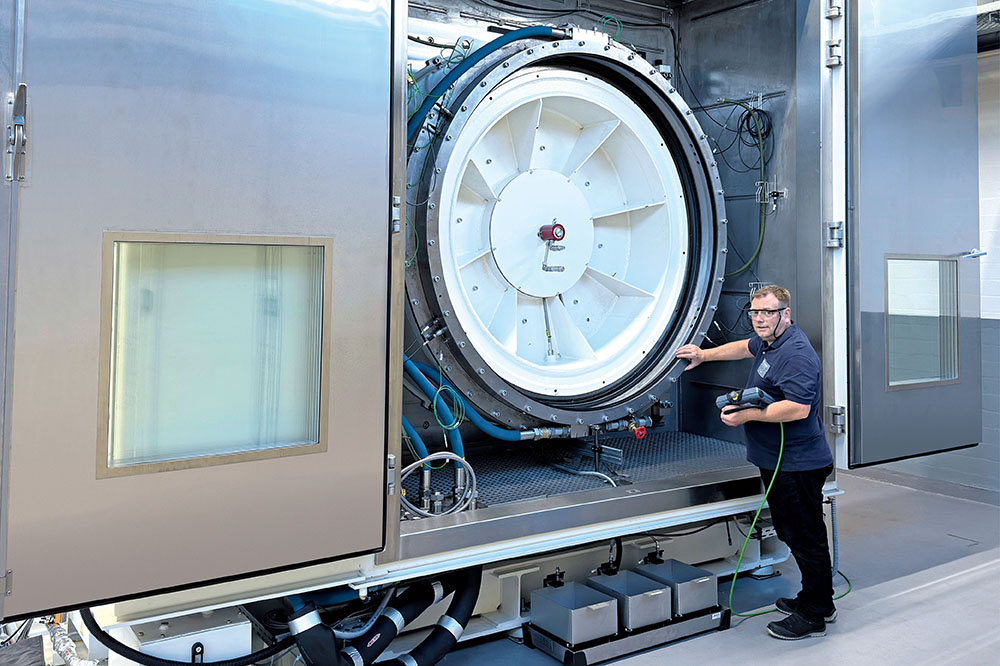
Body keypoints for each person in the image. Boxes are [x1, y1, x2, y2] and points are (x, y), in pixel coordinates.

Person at [675, 285, 836, 640]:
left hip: (797, 463)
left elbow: (798, 408)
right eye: (755, 313)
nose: (760, 319)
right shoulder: (770, 341)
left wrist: (748, 414)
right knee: (794, 531)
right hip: (780, 461)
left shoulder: (795, 354)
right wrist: (704, 355)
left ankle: (814, 614)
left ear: (785, 314)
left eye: (768, 313)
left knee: (804, 536)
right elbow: (743, 347)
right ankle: (817, 600)